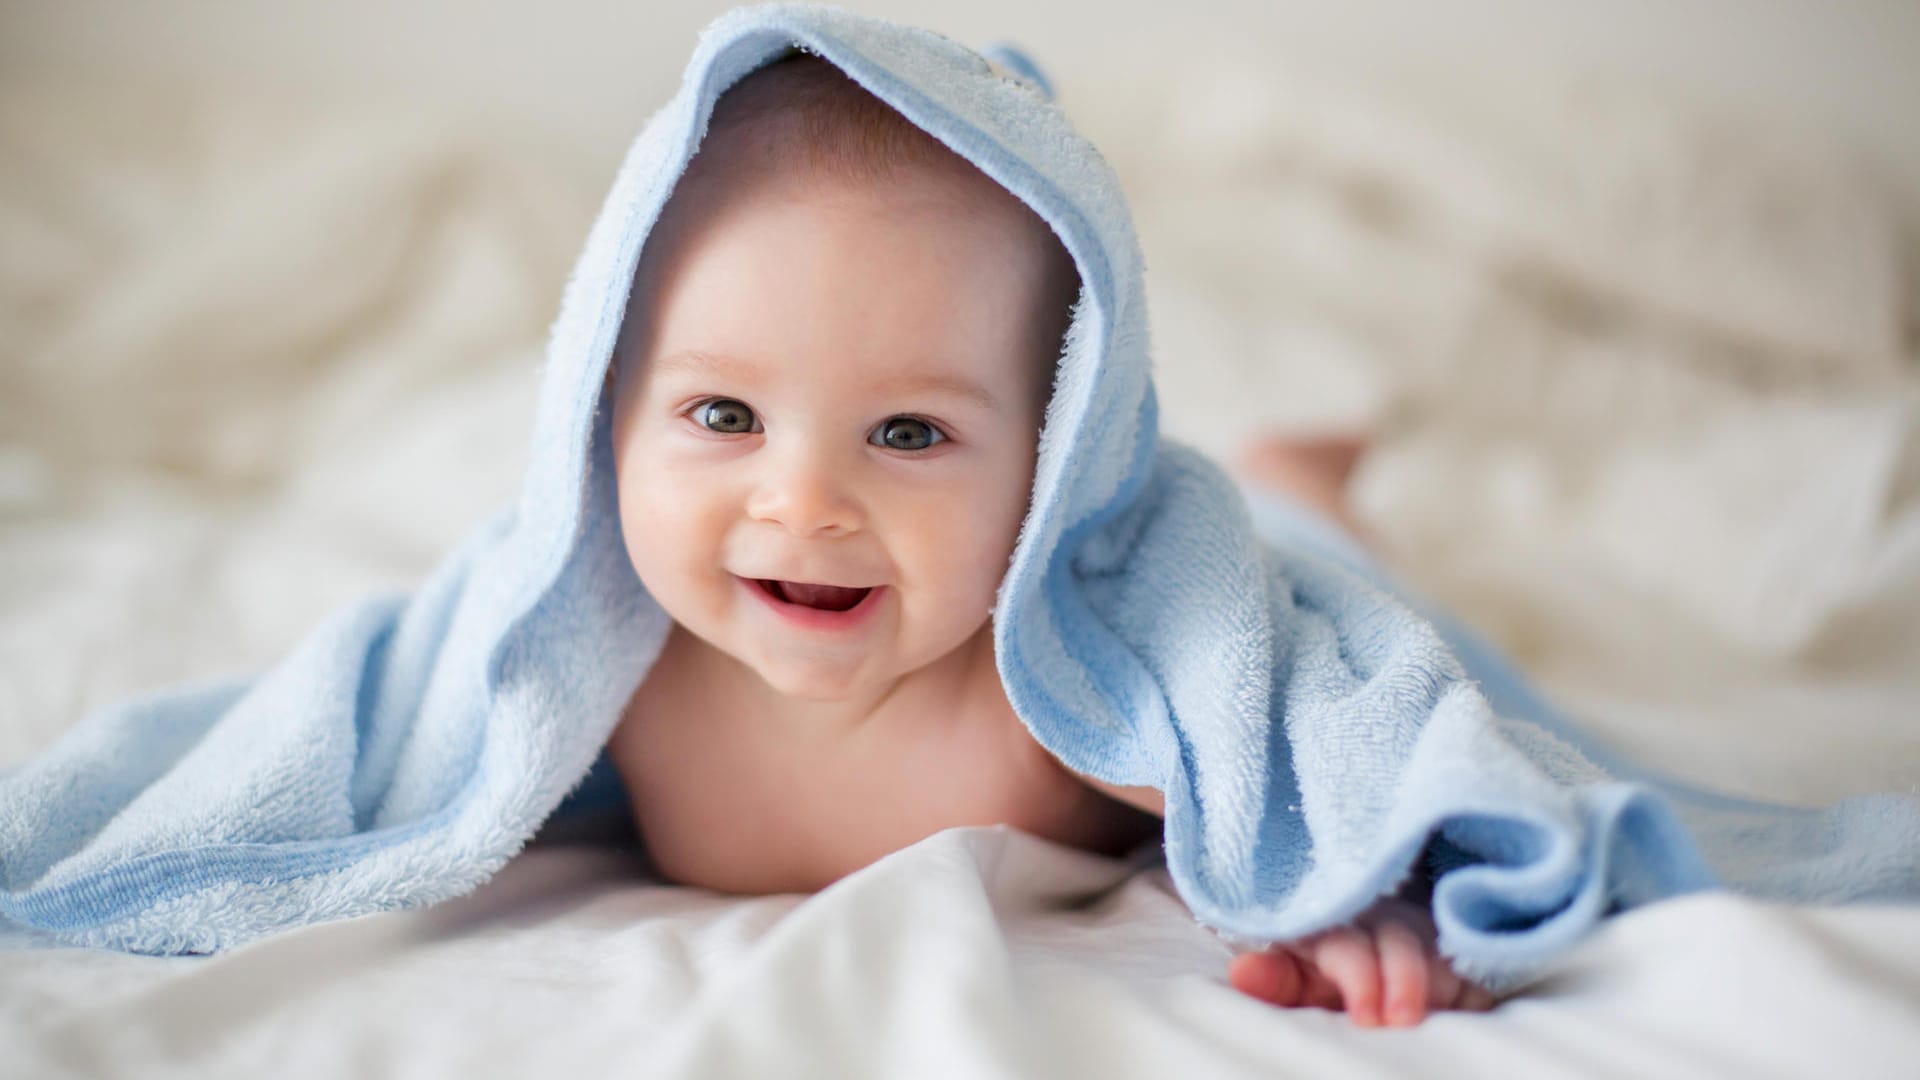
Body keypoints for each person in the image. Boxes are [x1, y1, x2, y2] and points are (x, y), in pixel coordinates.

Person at [600, 53, 1491, 1028]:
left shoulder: (1064, 690)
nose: (804, 504)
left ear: (1050, 467)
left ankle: (1295, 484)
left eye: (908, 433)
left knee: (1313, 542)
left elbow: (1314, 748)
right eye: (726, 415)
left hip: (1276, 551)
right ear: (607, 412)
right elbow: (426, 726)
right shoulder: (613, 664)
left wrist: (1367, 891)